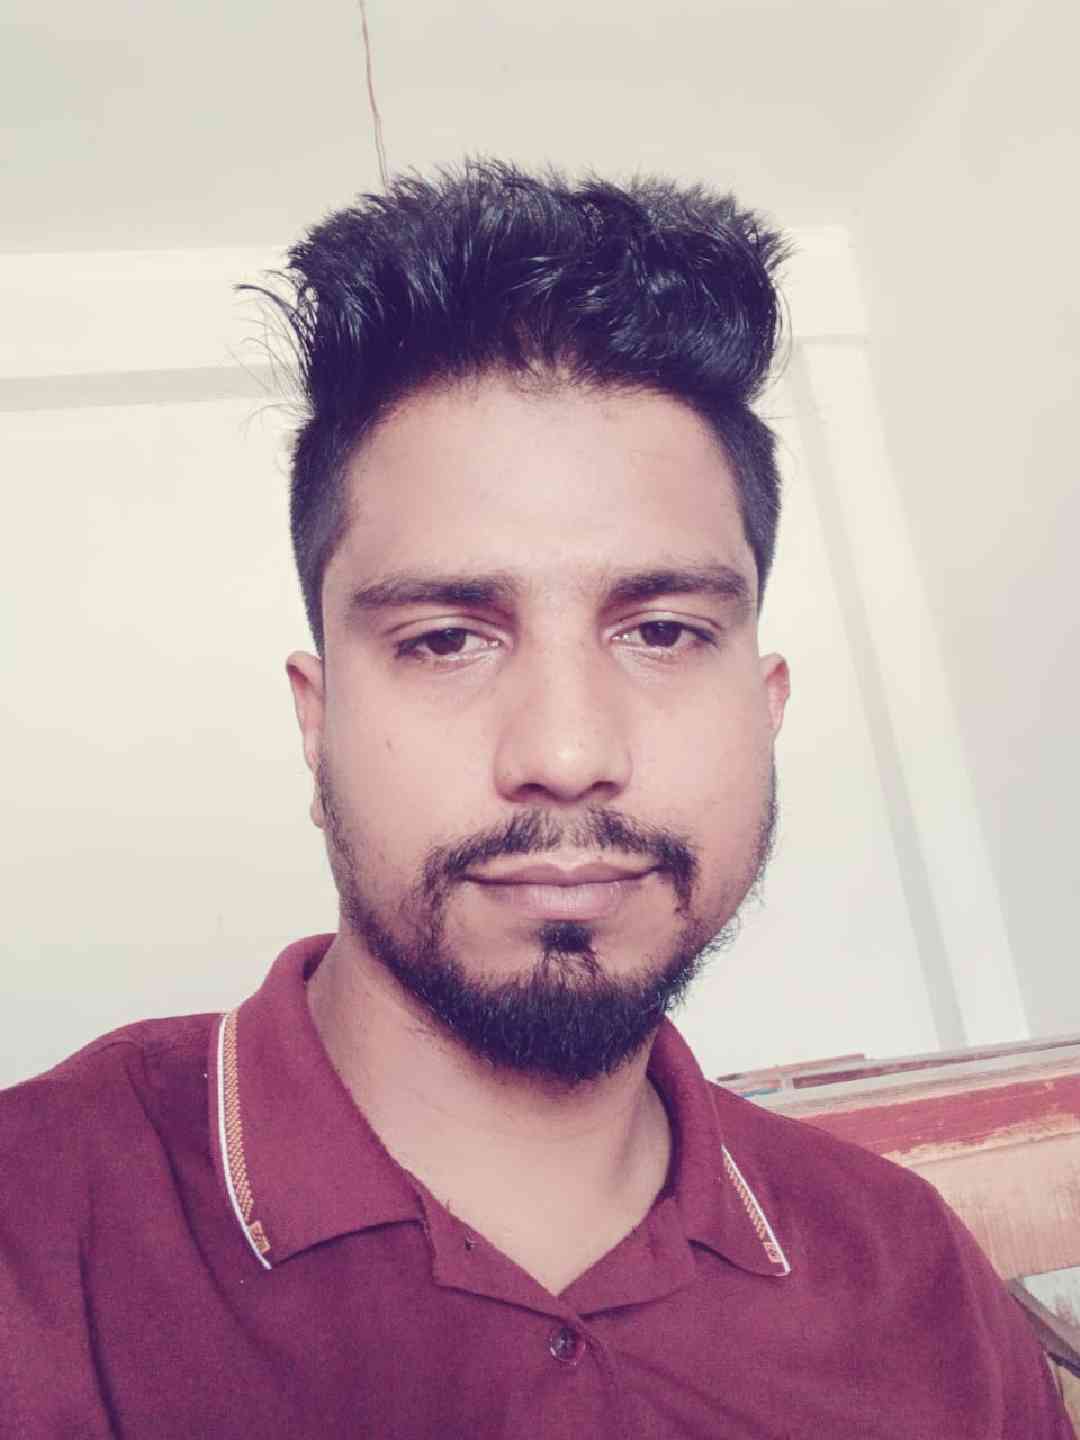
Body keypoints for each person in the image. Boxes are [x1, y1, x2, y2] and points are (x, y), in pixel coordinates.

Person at [0, 160, 1070, 1439]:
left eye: (663, 631)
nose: (566, 752)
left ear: (766, 704)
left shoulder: (915, 1277)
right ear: (316, 718)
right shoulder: (35, 1226)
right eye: (448, 639)